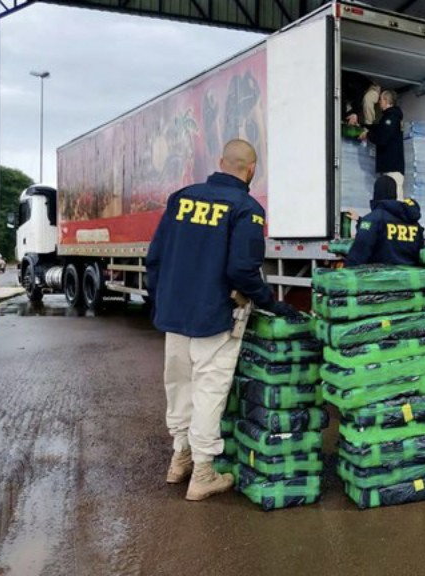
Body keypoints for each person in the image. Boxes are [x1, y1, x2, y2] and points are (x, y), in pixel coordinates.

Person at [146, 139, 299, 502]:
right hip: (216, 315)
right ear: (251, 170)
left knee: (178, 385)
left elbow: (155, 257)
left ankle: (178, 459)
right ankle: (202, 473)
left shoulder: (180, 198)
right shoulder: (246, 208)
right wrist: (270, 303)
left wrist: (162, 299)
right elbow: (242, 270)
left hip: (175, 313)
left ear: (219, 162)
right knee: (208, 390)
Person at [345, 175, 424, 267]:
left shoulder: (373, 219)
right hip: (409, 278)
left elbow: (359, 253)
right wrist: (360, 221)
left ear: (376, 193)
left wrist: (346, 273)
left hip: (381, 279)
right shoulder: (412, 222)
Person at [359, 90, 405, 198]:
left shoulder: (392, 118)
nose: (379, 102)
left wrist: (367, 135)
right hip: (389, 168)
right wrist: (361, 126)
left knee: (395, 201)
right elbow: (379, 129)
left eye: (380, 99)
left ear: (386, 100)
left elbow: (382, 139)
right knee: (388, 202)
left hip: (393, 169)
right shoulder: (388, 118)